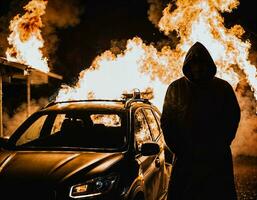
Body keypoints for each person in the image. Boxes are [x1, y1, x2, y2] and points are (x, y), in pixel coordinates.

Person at [161, 42, 241, 200]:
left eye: (201, 64)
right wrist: (179, 149)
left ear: (208, 66)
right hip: (186, 159)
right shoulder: (175, 89)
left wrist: (219, 146)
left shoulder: (223, 88)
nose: (198, 68)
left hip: (216, 159)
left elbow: (232, 118)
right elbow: (167, 122)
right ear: (188, 66)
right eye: (194, 64)